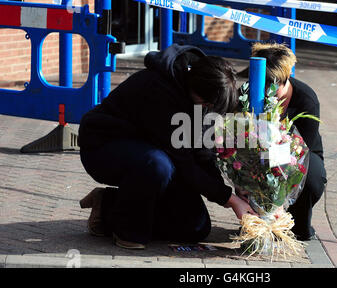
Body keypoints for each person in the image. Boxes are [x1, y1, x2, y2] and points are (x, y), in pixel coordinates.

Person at [78, 44, 257, 249]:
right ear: (196, 89)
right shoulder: (158, 89)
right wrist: (230, 199)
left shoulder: (205, 99)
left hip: (155, 153)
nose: (209, 111)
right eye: (207, 106)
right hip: (104, 147)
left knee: (195, 227)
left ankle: (107, 205)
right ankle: (128, 231)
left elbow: (203, 156)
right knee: (157, 165)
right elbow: (183, 162)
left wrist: (233, 191)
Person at [237, 42, 327, 241]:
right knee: (248, 169)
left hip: (299, 155)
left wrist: (279, 188)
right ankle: (257, 223)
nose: (267, 92)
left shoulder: (307, 100)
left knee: (312, 178)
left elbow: (302, 150)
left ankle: (297, 224)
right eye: (262, 85)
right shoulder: (247, 95)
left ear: (286, 80)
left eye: (273, 86)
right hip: (257, 154)